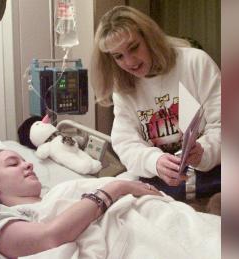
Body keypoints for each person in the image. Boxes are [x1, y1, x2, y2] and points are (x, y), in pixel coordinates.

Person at [90, 6, 221, 200]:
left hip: (212, 180)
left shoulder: (195, 63)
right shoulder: (123, 86)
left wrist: (204, 152)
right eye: (118, 56)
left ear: (149, 38)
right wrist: (154, 161)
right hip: (160, 187)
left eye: (133, 48)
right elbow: (125, 142)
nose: (130, 62)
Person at [0, 149, 163, 258]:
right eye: (13, 164)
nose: (28, 164)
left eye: (24, 160)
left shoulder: (58, 195)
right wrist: (117, 188)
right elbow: (51, 236)